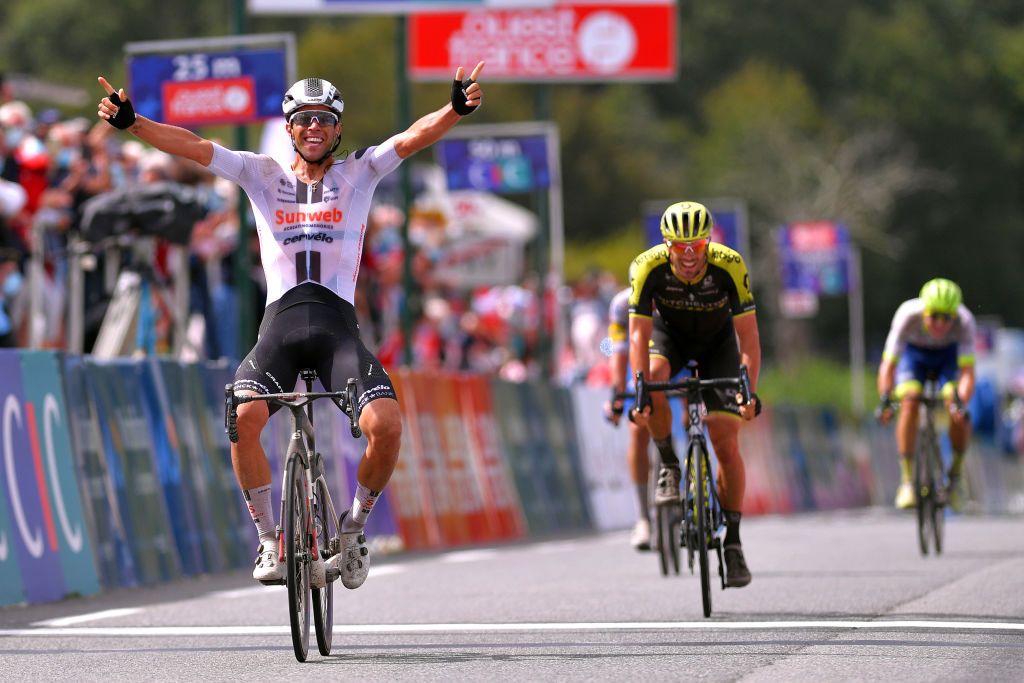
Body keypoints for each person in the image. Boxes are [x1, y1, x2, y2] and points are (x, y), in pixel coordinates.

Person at [96, 63, 486, 587]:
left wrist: (455, 110)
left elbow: (413, 138)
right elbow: (193, 147)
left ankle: (352, 528)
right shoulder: (261, 173)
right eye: (303, 119)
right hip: (279, 328)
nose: (313, 128)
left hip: (336, 331)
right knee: (243, 415)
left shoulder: (360, 172)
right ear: (289, 128)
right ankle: (267, 539)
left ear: (338, 128)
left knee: (387, 427)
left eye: (324, 119)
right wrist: (133, 123)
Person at [628, 201, 761, 588]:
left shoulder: (730, 264)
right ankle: (669, 463)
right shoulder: (645, 266)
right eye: (680, 247)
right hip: (669, 340)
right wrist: (640, 388)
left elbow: (749, 335)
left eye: (697, 246)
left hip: (718, 345)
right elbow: (638, 334)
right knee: (653, 379)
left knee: (725, 441)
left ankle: (733, 543)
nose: (688, 256)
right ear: (665, 244)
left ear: (708, 242)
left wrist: (747, 389)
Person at [876, 277, 975, 511]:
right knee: (909, 402)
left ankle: (955, 476)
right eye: (934, 316)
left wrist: (961, 402)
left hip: (947, 360)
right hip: (915, 358)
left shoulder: (965, 321)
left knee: (956, 405)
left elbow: (967, 372)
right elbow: (888, 366)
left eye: (946, 317)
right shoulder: (907, 316)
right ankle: (908, 481)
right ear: (923, 312)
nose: (940, 324)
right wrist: (886, 400)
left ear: (955, 315)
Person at [603, 286, 653, 550]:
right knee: (637, 428)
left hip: (677, 360)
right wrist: (617, 394)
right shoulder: (622, 305)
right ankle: (643, 517)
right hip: (641, 367)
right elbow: (617, 351)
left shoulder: (675, 293)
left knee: (691, 418)